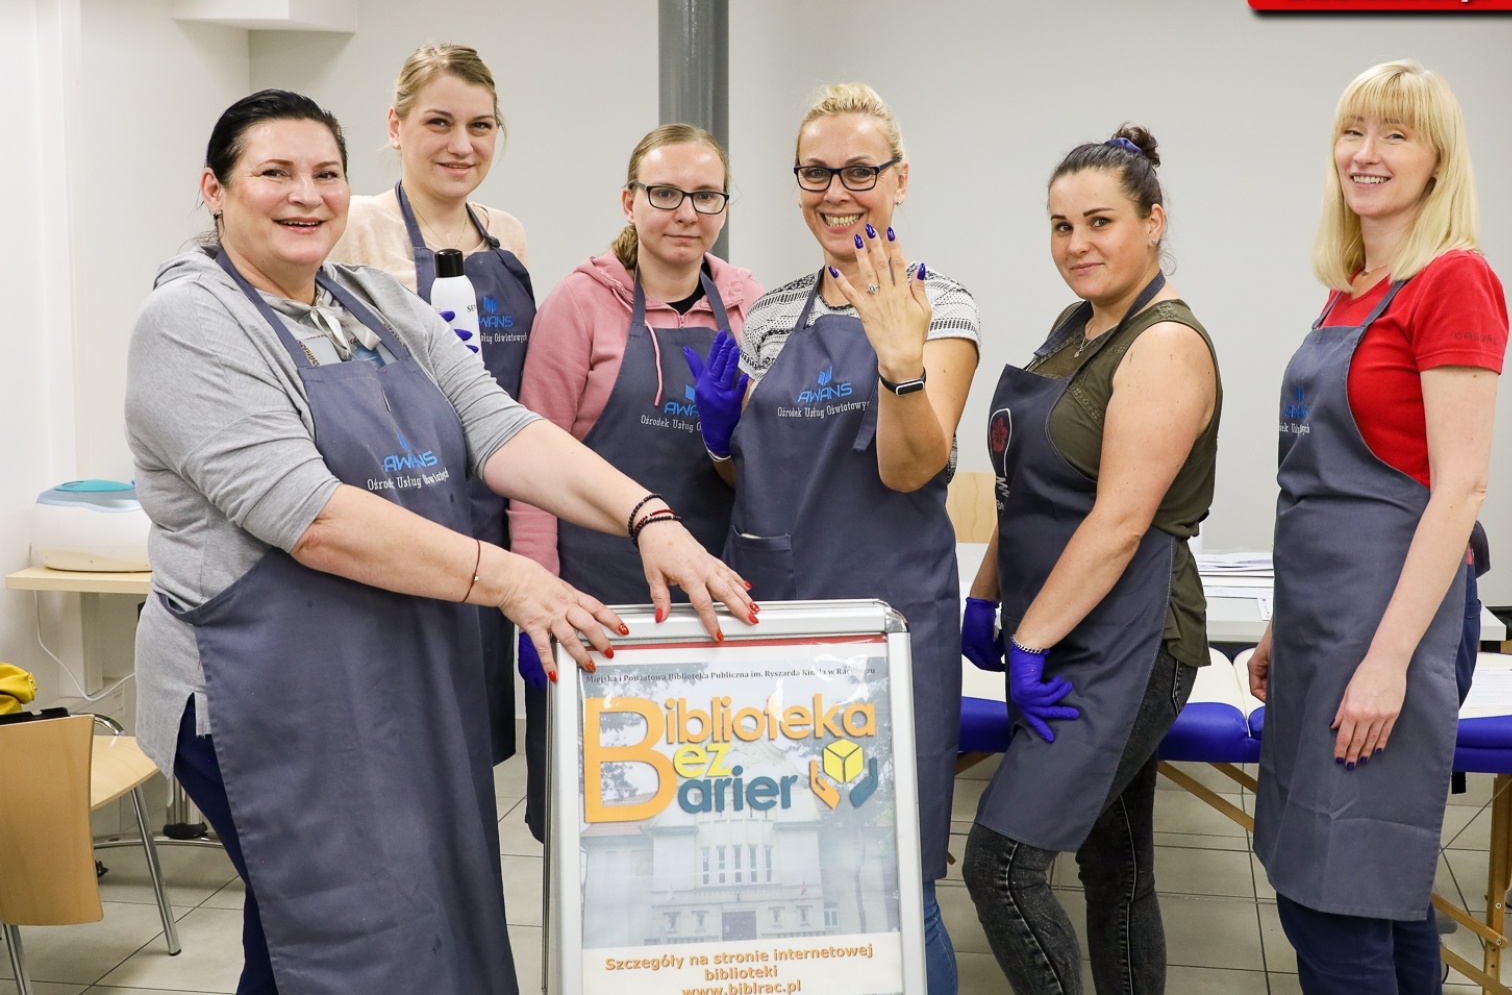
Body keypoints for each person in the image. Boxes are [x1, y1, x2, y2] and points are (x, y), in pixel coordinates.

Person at [126, 89, 753, 995]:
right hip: (264, 690)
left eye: (325, 174)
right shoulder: (190, 323)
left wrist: (647, 515)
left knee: (344, 928)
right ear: (215, 190)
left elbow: (501, 427)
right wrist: (515, 579)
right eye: (275, 172)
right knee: (351, 935)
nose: (306, 194)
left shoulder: (374, 302)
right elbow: (313, 515)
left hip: (390, 671)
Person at [701, 83, 980, 994]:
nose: (837, 192)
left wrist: (899, 363)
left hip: (888, 630)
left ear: (900, 179)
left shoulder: (941, 305)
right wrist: (719, 440)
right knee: (790, 872)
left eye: (860, 171)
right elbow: (756, 479)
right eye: (815, 172)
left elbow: (911, 467)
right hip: (776, 623)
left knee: (892, 881)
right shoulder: (769, 314)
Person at [1248, 60, 1507, 995]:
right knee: (1375, 889)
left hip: (1392, 622)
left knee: (1339, 891)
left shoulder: (1454, 280)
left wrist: (1388, 660)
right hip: (1322, 621)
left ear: (1438, 159)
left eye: (1396, 134)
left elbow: (1460, 488)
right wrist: (1284, 623)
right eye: (1354, 132)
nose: (1366, 153)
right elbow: (1323, 485)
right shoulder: (1352, 289)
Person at [960, 128, 1221, 995]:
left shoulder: (1165, 344)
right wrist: (986, 595)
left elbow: (1118, 521)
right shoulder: (1075, 325)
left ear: (1153, 221)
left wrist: (1029, 641)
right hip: (1058, 621)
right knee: (1118, 863)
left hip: (1132, 636)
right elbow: (1029, 487)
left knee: (1001, 865)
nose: (1077, 244)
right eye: (1060, 224)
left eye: (1100, 221)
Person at [509, 123, 762, 840]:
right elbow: (532, 465)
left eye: (706, 195)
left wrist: (730, 436)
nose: (687, 212)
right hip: (596, 608)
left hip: (713, 607)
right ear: (630, 201)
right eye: (665, 193)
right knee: (595, 821)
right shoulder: (580, 304)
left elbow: (770, 469)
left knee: (706, 812)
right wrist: (538, 602)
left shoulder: (750, 306)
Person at [329, 43, 533, 764]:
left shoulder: (506, 234)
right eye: (439, 122)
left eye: (481, 126)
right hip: (391, 499)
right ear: (396, 126)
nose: (461, 145)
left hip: (485, 508)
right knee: (395, 733)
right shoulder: (354, 224)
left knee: (472, 735)